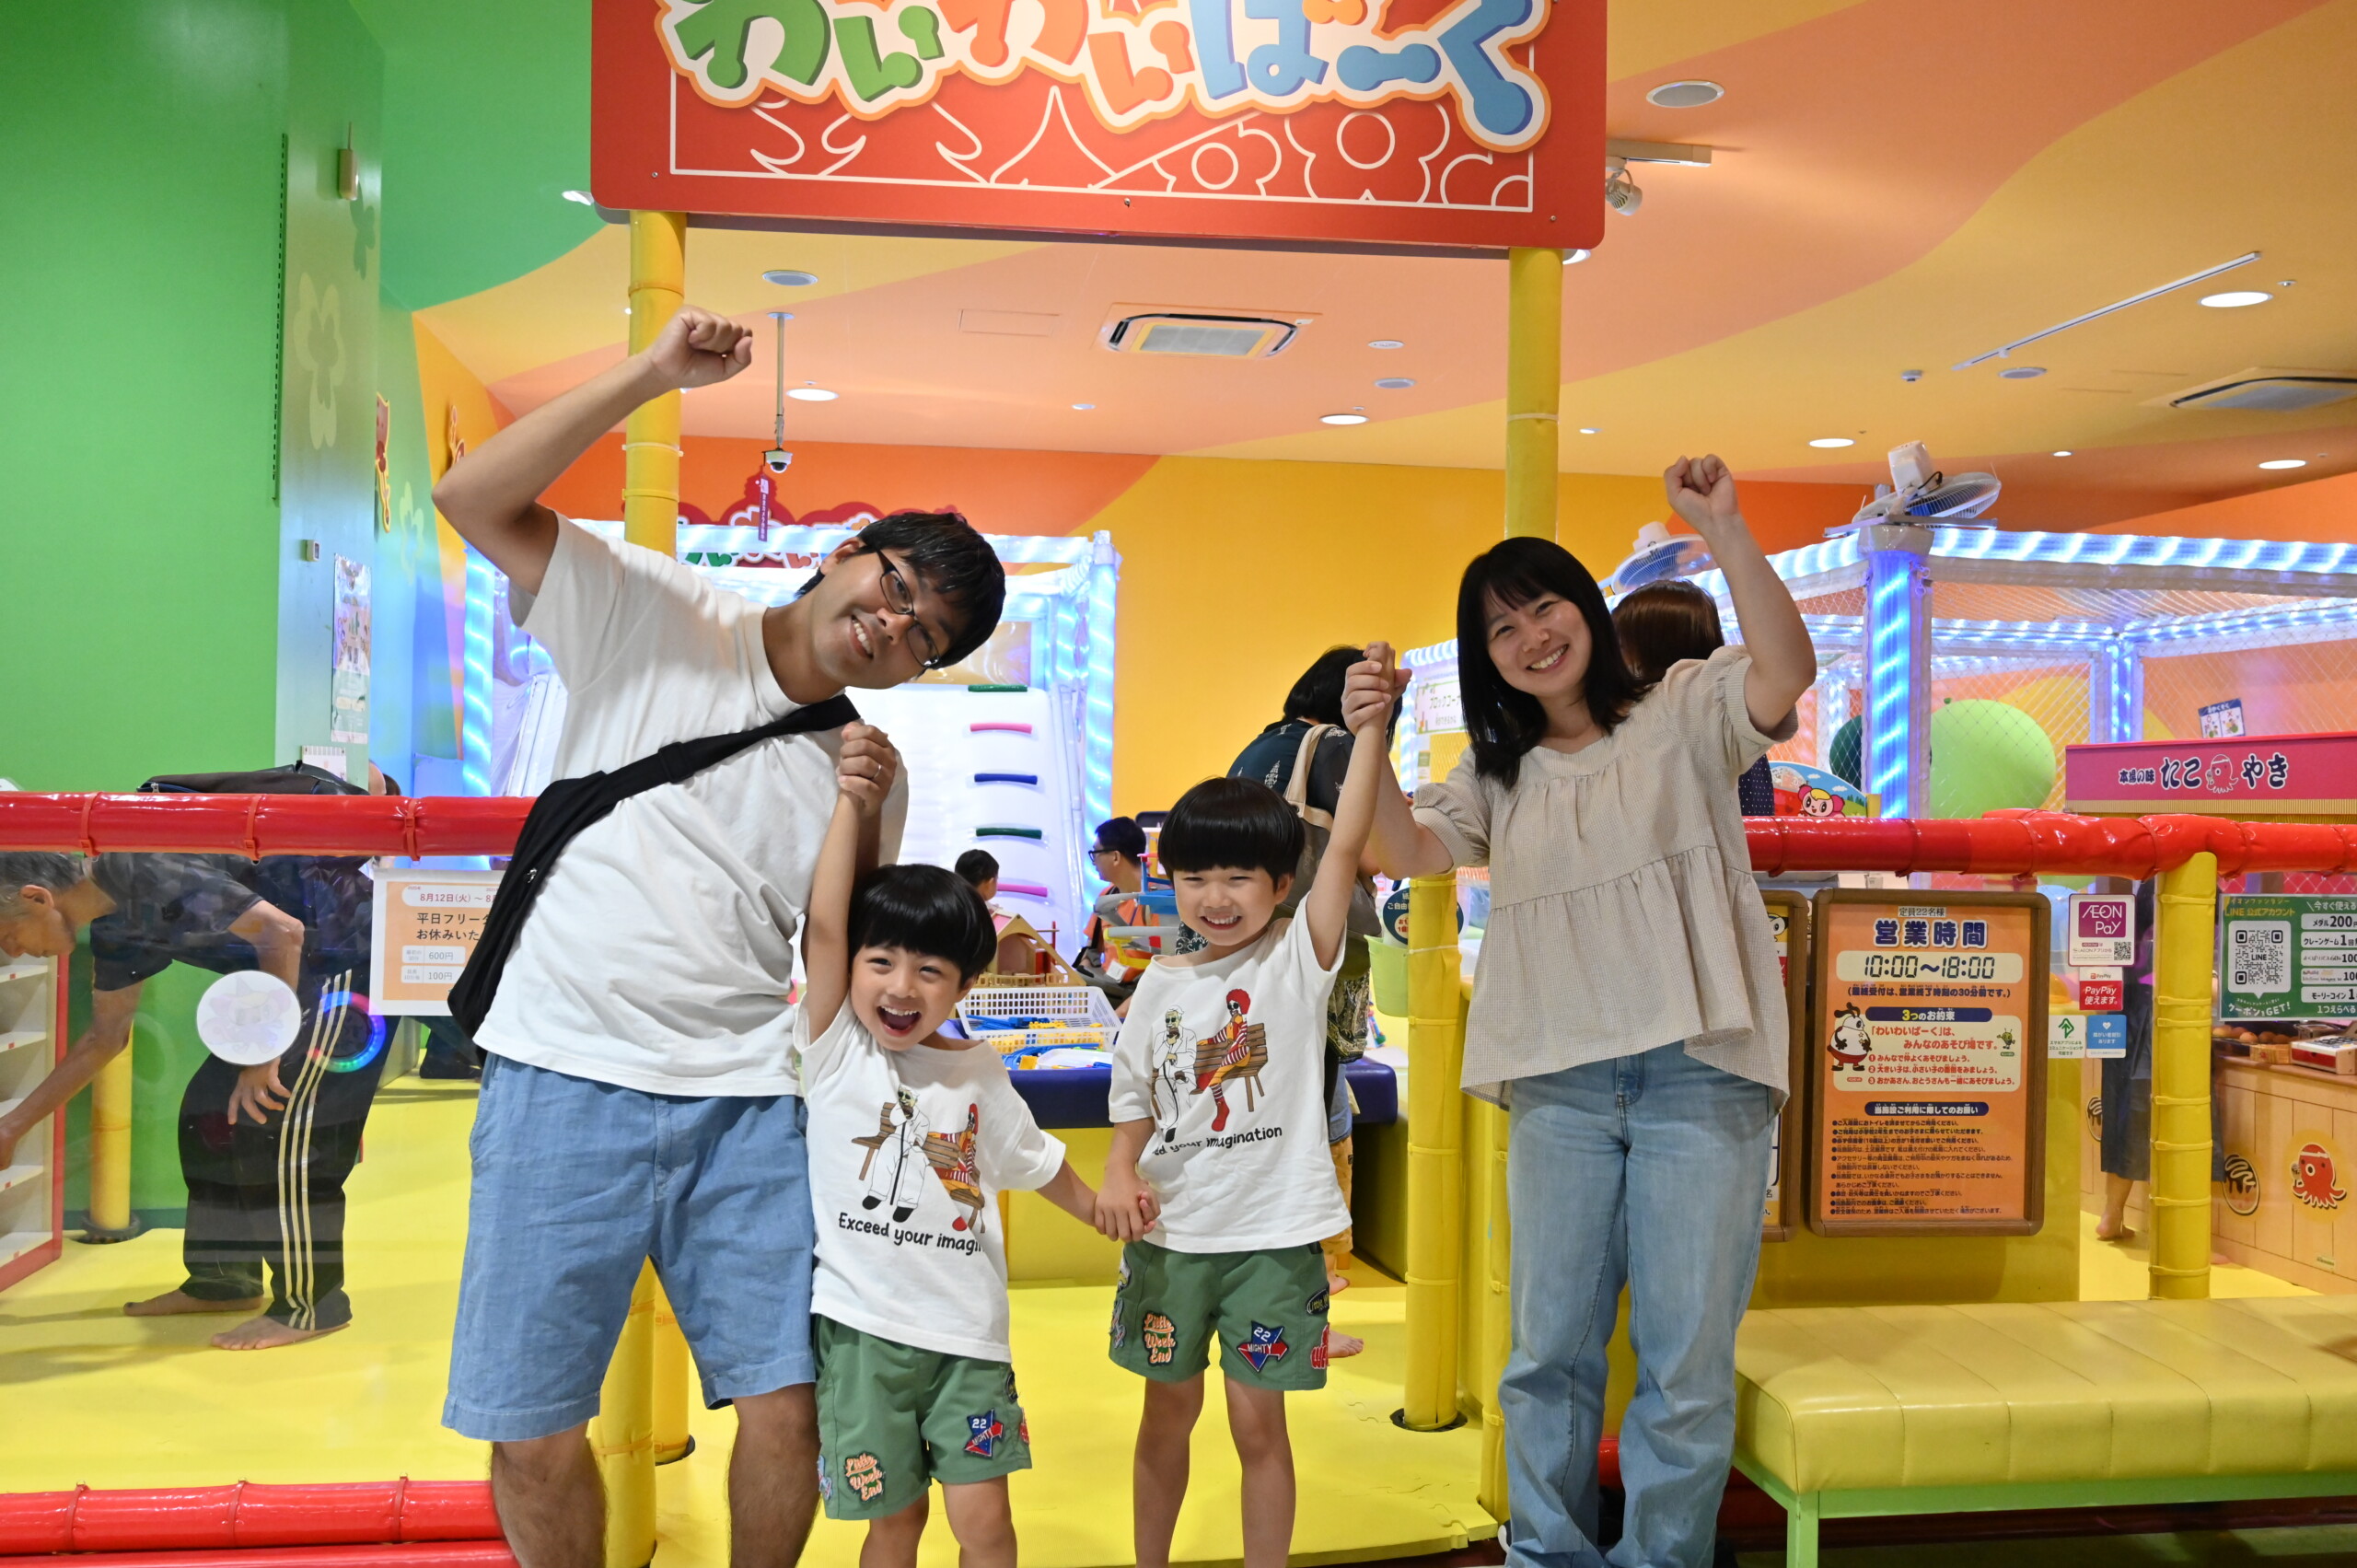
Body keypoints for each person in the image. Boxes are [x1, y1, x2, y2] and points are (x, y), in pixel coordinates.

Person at [430, 303, 1006, 1568]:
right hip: (559, 1073)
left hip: (753, 1100)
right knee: (531, 1426)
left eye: (925, 636)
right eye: (896, 588)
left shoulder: (867, 772)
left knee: (788, 1409)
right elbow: (471, 496)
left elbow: (845, 961)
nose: (894, 626)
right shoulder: (650, 605)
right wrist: (650, 373)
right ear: (847, 552)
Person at [1352, 457, 1815, 1568]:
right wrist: (1369, 731)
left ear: (1587, 609)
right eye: (1501, 629)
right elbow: (1400, 848)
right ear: (1485, 659)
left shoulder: (1683, 708)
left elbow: (1785, 672)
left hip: (1701, 1073)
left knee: (1684, 1359)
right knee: (1544, 1352)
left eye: (1544, 605)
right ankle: (1548, 1555)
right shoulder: (1495, 772)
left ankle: (1662, 1556)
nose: (1531, 637)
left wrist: (1725, 529)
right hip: (1559, 1083)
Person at [1096, 656, 1383, 1568]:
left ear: (1281, 883)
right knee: (1165, 1417)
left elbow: (1346, 842)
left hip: (1272, 1240)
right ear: (1171, 880)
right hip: (1172, 1237)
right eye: (1195, 878)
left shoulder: (1297, 958)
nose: (1216, 898)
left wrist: (1371, 731)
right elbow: (1133, 1095)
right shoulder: (1158, 982)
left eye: (1238, 877)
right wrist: (1117, 1170)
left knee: (1260, 1427)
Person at [797, 725, 1097, 1564]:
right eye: (881, 961)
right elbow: (826, 925)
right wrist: (853, 802)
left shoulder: (976, 1071)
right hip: (862, 1335)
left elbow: (1038, 1163)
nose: (901, 986)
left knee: (985, 1525)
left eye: (930, 971)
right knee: (894, 1523)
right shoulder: (836, 1048)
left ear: (965, 984)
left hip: (967, 1338)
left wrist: (1106, 1212)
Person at [0, 846, 378, 1350]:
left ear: (36, 898)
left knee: (276, 1128)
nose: (14, 951)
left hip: (345, 961)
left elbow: (281, 932)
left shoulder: (135, 866)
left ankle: (313, 1305)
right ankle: (223, 1280)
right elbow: (104, 1039)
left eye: (7, 935)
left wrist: (264, 1050)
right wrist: (11, 1128)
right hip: (287, 986)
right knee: (209, 1117)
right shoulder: (114, 928)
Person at [1226, 645, 1399, 1357]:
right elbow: (1383, 850)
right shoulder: (1333, 748)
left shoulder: (1259, 747)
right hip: (1313, 961)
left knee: (1262, 1135)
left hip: (1253, 967)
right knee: (1301, 1144)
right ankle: (1302, 1320)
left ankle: (1260, 1308)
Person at [1612, 580, 1777, 817]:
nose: (1615, 658)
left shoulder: (1674, 718)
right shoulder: (1723, 714)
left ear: (1652, 650)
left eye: (1620, 646)